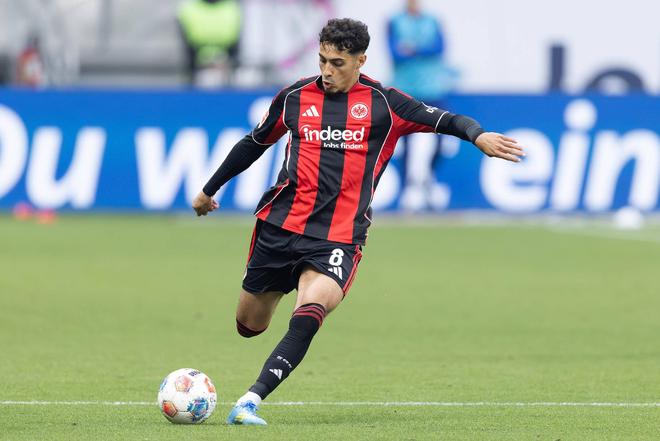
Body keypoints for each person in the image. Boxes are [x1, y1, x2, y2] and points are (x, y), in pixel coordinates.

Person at [192, 18, 524, 425]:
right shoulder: (294, 97)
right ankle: (278, 290)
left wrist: (478, 135)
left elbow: (448, 120)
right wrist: (208, 190)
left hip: (338, 238)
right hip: (279, 227)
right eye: (322, 60)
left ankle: (250, 400)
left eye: (337, 63)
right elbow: (254, 143)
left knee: (311, 309)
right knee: (249, 326)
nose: (327, 71)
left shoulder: (386, 104)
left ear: (360, 60)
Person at [387, 0, 458, 211]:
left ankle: (428, 176)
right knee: (404, 140)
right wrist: (420, 51)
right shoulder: (395, 21)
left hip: (433, 89)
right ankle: (408, 188)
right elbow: (395, 53)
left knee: (442, 137)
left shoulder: (432, 21)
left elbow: (439, 48)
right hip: (405, 89)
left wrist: (412, 49)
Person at [177, 0, 241, 86]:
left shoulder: (233, 7)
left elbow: (235, 44)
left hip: (225, 63)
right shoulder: (188, 7)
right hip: (195, 64)